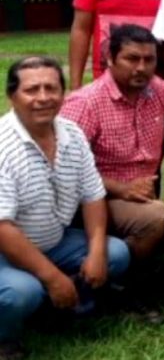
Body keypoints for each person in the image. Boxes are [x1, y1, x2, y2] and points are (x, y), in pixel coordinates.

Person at [60, 25, 164, 314]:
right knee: (155, 216)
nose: (141, 67)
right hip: (92, 200)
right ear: (110, 59)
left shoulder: (155, 89)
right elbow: (64, 170)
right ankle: (127, 287)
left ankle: (134, 269)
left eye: (148, 60)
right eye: (132, 59)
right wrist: (122, 189)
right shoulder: (85, 103)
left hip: (138, 197)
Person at [0, 58, 131, 358]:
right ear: (12, 97)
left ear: (63, 93)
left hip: (52, 242)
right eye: (32, 89)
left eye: (52, 88)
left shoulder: (71, 133)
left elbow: (93, 196)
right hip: (5, 251)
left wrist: (97, 252)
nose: (43, 97)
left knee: (116, 254)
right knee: (21, 292)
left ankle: (63, 308)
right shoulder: (2, 146)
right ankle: (5, 337)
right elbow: (3, 228)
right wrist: (53, 277)